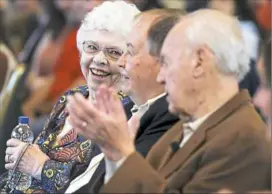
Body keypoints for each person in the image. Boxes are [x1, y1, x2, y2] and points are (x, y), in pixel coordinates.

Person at [67, 9, 271, 193]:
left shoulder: (241, 139)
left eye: (165, 62)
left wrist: (119, 152)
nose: (161, 77)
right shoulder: (185, 127)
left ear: (199, 61)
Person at [4, 1, 139, 193]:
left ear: (130, 58)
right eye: (92, 47)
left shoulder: (127, 112)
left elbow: (94, 185)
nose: (99, 59)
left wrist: (39, 167)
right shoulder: (73, 96)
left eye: (114, 52)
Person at [66, 9, 182, 194]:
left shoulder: (169, 119)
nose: (121, 62)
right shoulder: (129, 108)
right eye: (91, 47)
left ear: (163, 62)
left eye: (129, 51)